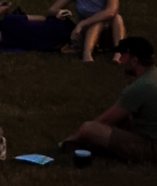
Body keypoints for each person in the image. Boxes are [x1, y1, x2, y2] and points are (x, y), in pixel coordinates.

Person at [58, 35, 155, 165]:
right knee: (124, 120)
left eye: (123, 55)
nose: (120, 60)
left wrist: (71, 139)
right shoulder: (153, 77)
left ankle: (75, 147)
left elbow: (104, 121)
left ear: (134, 60)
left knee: (89, 128)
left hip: (151, 148)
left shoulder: (139, 87)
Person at [55, 0, 125, 64]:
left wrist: (82, 23)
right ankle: (87, 54)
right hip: (86, 32)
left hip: (106, 31)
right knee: (97, 22)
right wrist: (59, 12)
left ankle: (119, 53)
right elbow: (53, 9)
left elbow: (111, 11)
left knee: (116, 17)